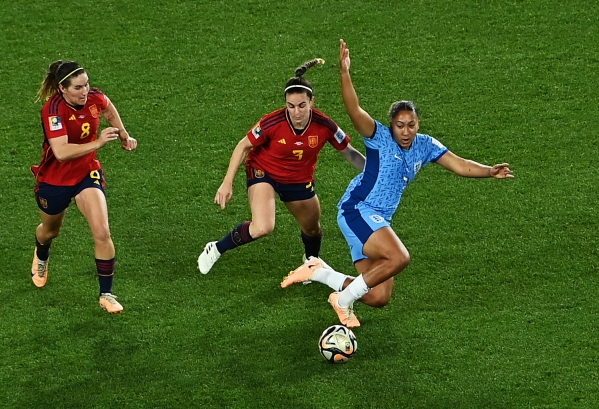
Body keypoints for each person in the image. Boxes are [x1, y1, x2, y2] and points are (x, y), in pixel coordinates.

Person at [281, 40, 514, 327]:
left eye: (411, 125)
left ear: (418, 124)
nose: (405, 131)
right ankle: (341, 301)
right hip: (358, 210)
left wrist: (489, 171)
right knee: (399, 257)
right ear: (391, 125)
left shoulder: (425, 146)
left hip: (377, 219)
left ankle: (319, 271)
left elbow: (460, 164)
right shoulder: (379, 137)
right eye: (400, 125)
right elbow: (354, 109)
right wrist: (344, 73)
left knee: (378, 296)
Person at [197, 58, 366, 275]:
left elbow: (350, 153)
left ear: (312, 101)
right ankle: (217, 248)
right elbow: (243, 146)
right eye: (291, 106)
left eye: (302, 106)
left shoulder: (325, 126)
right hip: (263, 171)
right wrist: (227, 182)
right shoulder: (273, 122)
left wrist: (376, 172)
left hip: (298, 179)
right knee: (263, 227)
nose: (296, 112)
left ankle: (311, 263)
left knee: (313, 229)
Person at [31, 60, 137, 314]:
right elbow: (61, 152)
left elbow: (109, 108)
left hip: (86, 174)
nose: (85, 91)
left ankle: (106, 294)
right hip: (54, 180)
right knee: (50, 231)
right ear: (62, 89)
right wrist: (99, 143)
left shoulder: (94, 98)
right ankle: (41, 253)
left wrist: (124, 134)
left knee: (102, 232)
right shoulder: (53, 110)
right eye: (78, 87)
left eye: (87, 84)